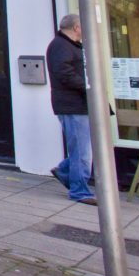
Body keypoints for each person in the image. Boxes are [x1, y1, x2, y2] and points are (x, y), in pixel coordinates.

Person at [46, 13, 96, 205]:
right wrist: (88, 88)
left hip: (78, 104)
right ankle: (79, 191)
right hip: (72, 104)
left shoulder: (70, 46)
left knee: (81, 148)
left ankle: (64, 171)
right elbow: (64, 73)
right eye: (83, 27)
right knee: (82, 151)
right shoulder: (60, 46)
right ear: (76, 27)